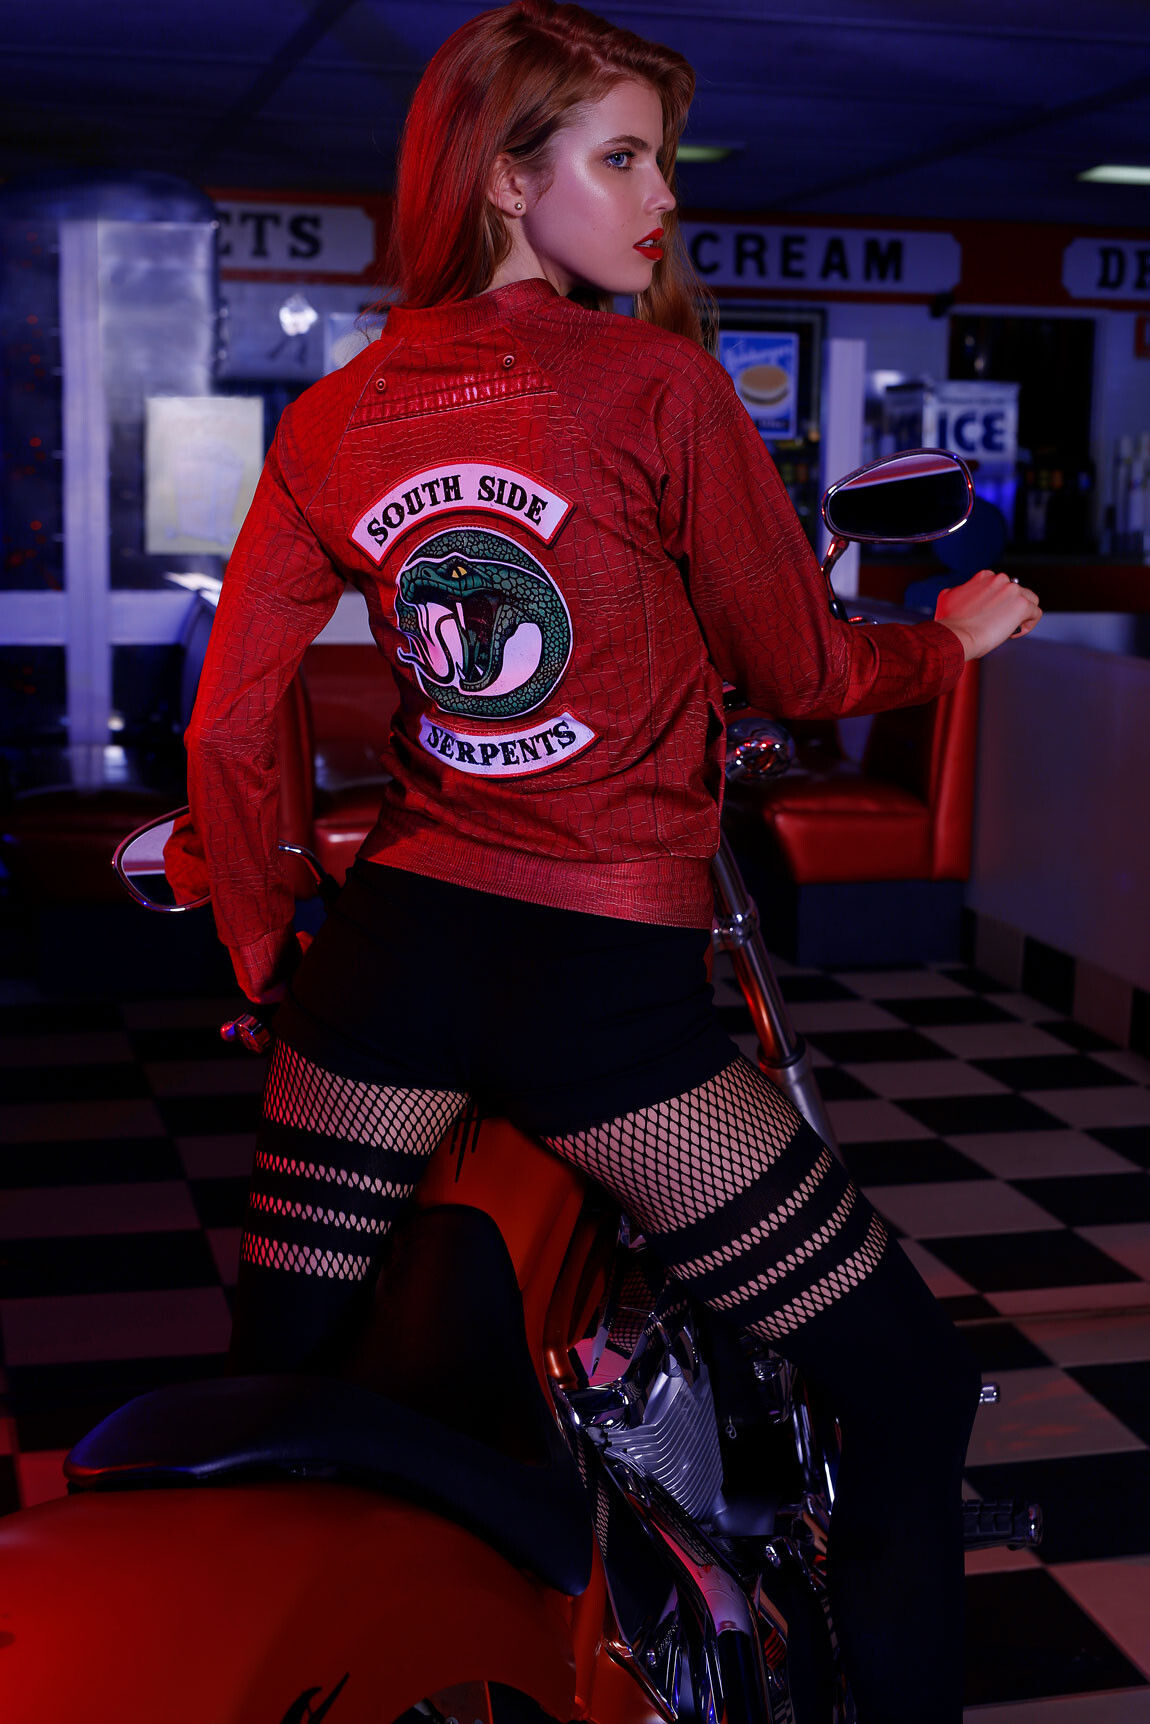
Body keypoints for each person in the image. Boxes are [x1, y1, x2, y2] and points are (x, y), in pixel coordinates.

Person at [177, 4, 1041, 1718]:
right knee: (905, 1384)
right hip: (599, 997)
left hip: (387, 970)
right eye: (624, 158)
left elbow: (225, 729)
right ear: (509, 180)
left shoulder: (336, 414)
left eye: (663, 159)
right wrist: (946, 644)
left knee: (279, 1397)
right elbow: (798, 666)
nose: (662, 199)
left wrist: (269, 951)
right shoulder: (656, 385)